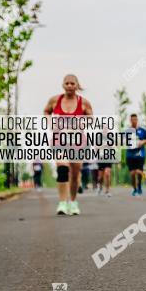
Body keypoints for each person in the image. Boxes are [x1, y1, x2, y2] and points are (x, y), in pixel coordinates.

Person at [43, 74, 93, 216]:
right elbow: (46, 111)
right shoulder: (54, 100)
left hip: (77, 142)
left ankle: (73, 201)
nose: (70, 86)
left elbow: (90, 116)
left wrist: (84, 122)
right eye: (67, 83)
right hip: (59, 140)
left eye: (72, 83)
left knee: (75, 173)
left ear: (77, 85)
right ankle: (62, 202)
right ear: (63, 85)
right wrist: (50, 121)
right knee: (63, 167)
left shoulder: (84, 103)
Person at [125, 114, 146, 196]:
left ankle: (139, 186)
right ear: (130, 120)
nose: (134, 121)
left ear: (137, 120)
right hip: (130, 154)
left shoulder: (142, 130)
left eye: (135, 119)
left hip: (140, 154)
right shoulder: (127, 131)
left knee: (139, 172)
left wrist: (142, 142)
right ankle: (134, 188)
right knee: (132, 173)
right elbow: (122, 140)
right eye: (132, 119)